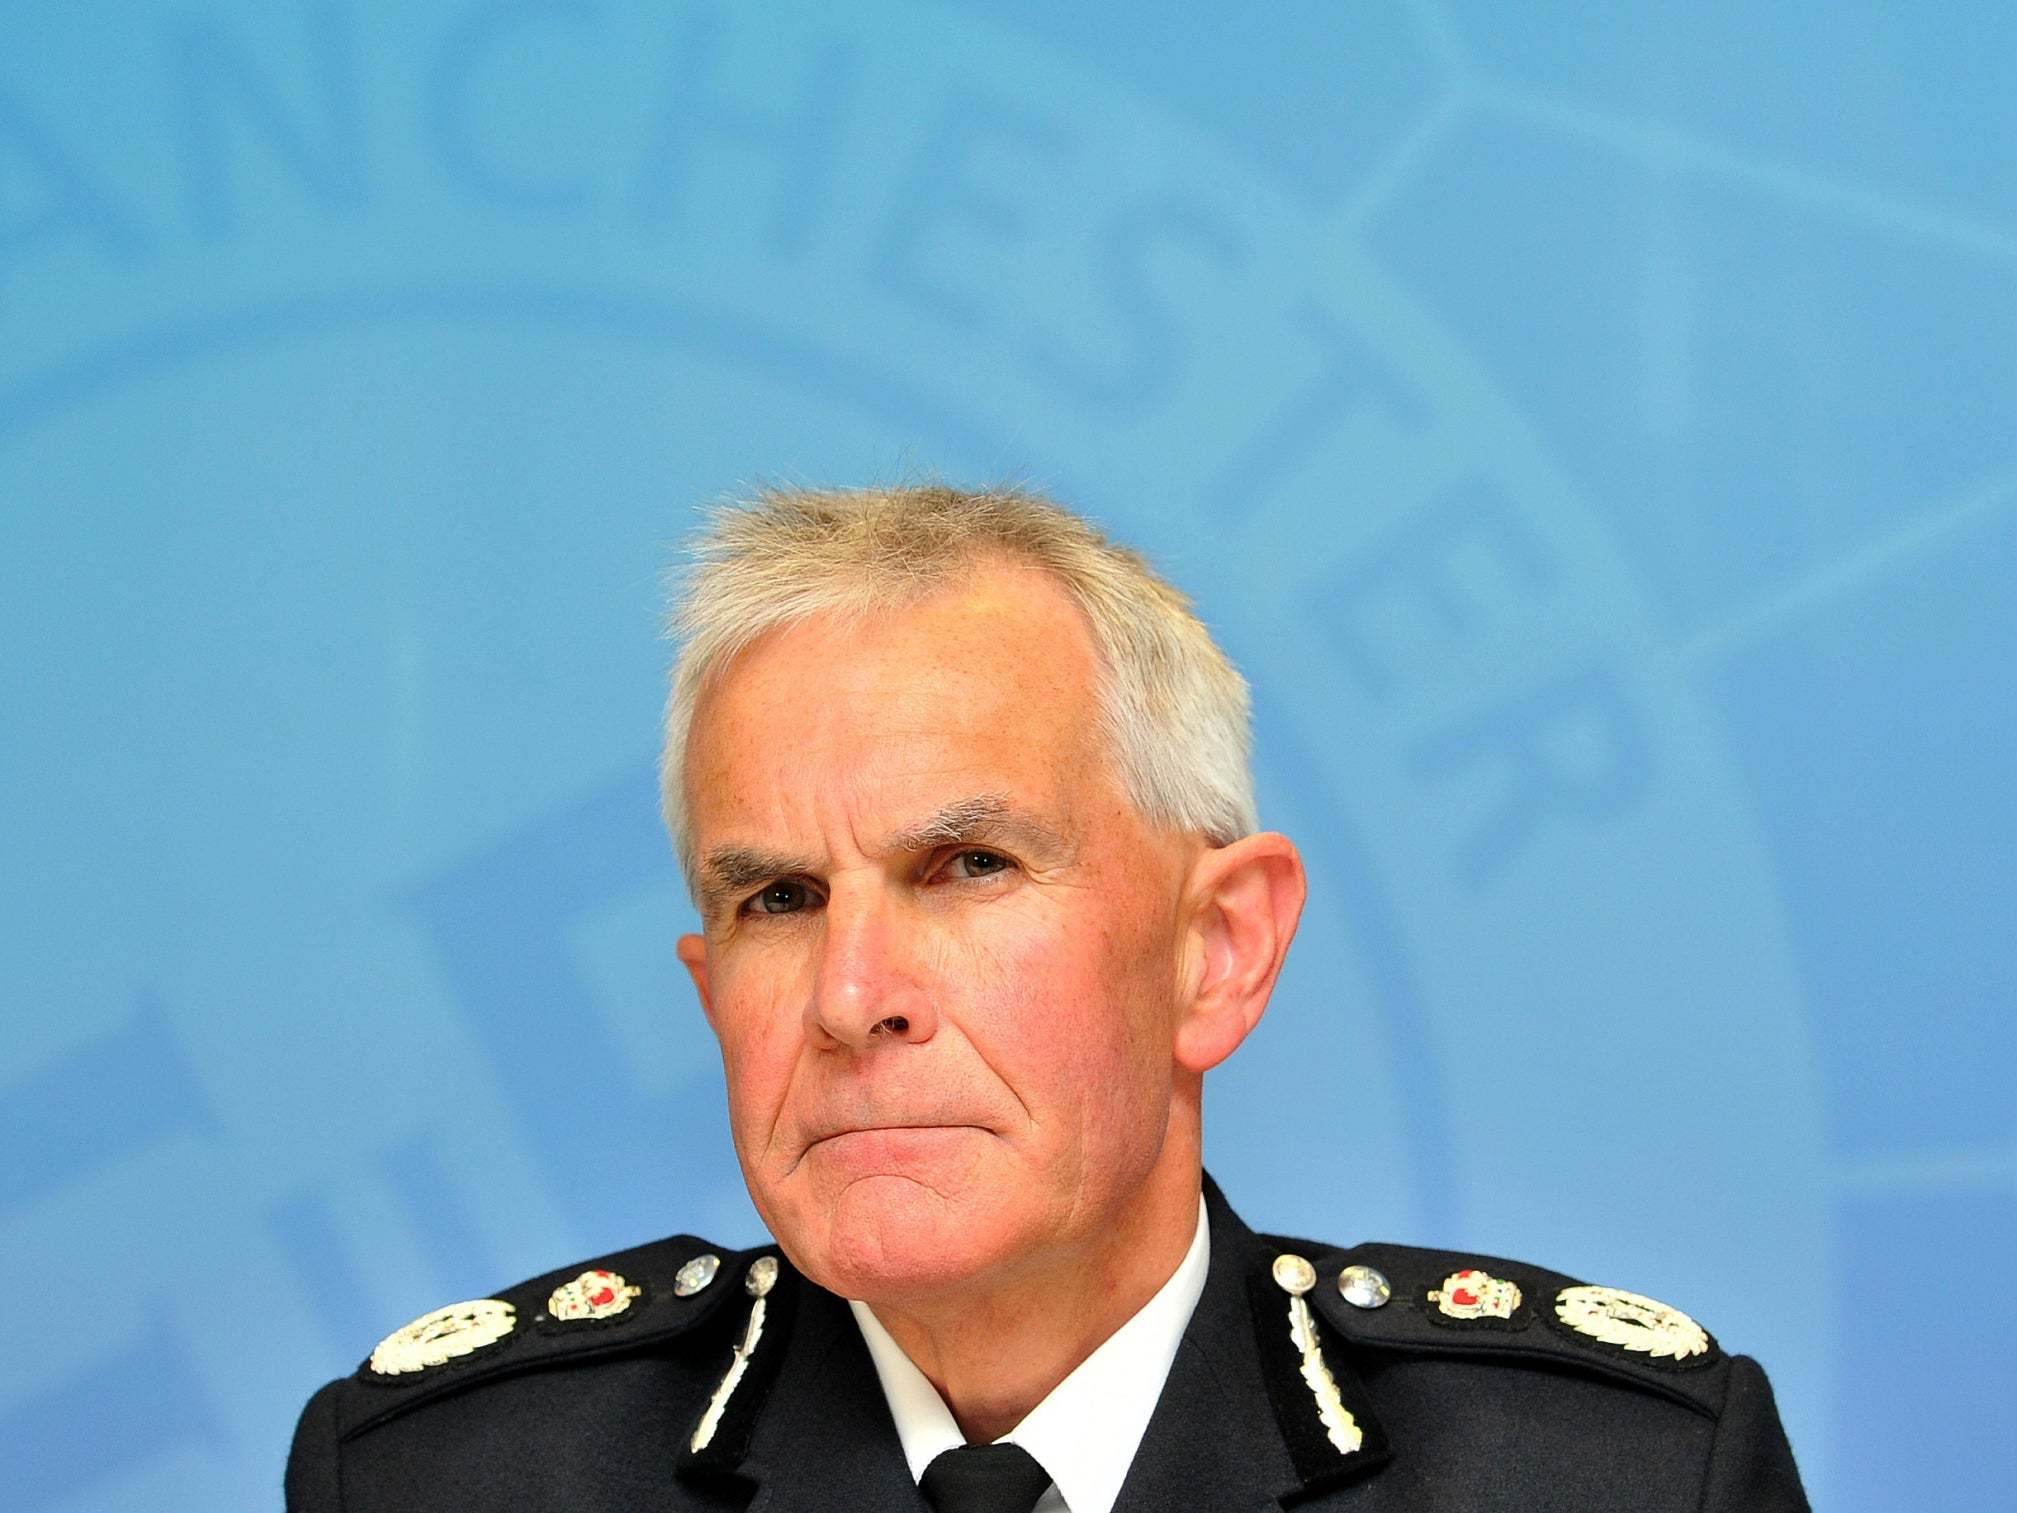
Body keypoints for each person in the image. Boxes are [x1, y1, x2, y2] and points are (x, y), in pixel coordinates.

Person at [287, 484, 1810, 1511]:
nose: (851, 995)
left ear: (1213, 951)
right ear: (705, 990)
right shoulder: (447, 1476)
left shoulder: (1601, 1479)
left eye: (965, 865)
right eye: (777, 899)